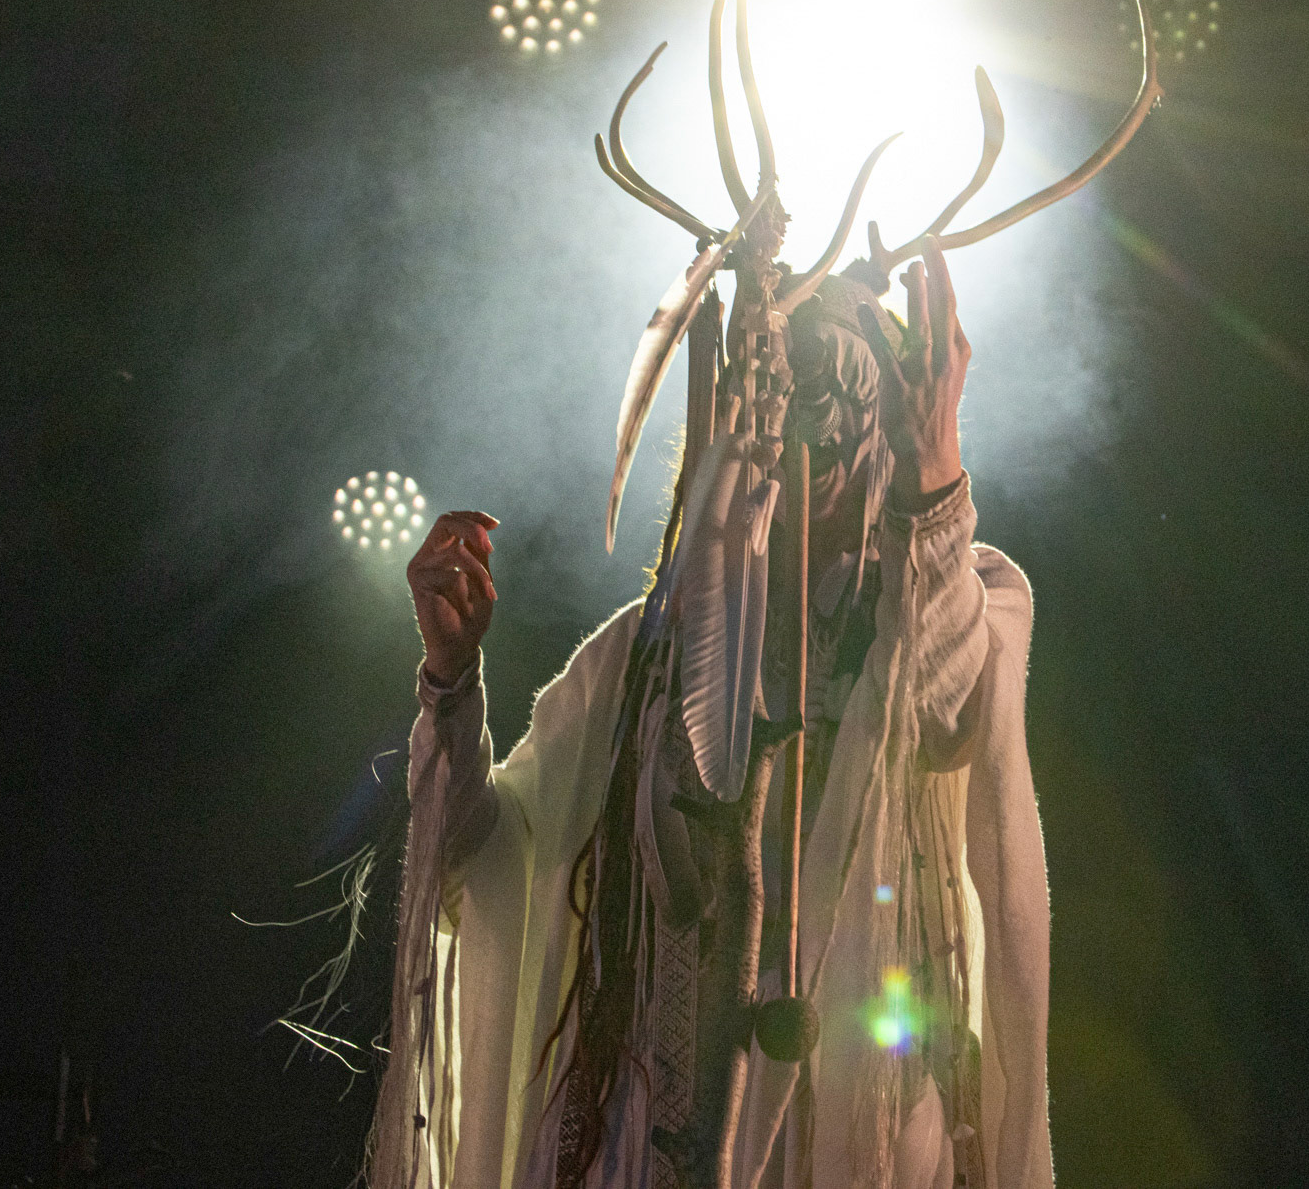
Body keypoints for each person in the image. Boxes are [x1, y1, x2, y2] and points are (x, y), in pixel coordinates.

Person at [376, 243, 1051, 1189]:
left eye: (860, 404)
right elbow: (478, 867)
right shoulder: (644, 664)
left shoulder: (972, 591)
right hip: (654, 1129)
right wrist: (450, 683)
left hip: (865, 1128)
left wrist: (936, 473)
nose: (817, 439)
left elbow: (943, 712)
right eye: (793, 399)